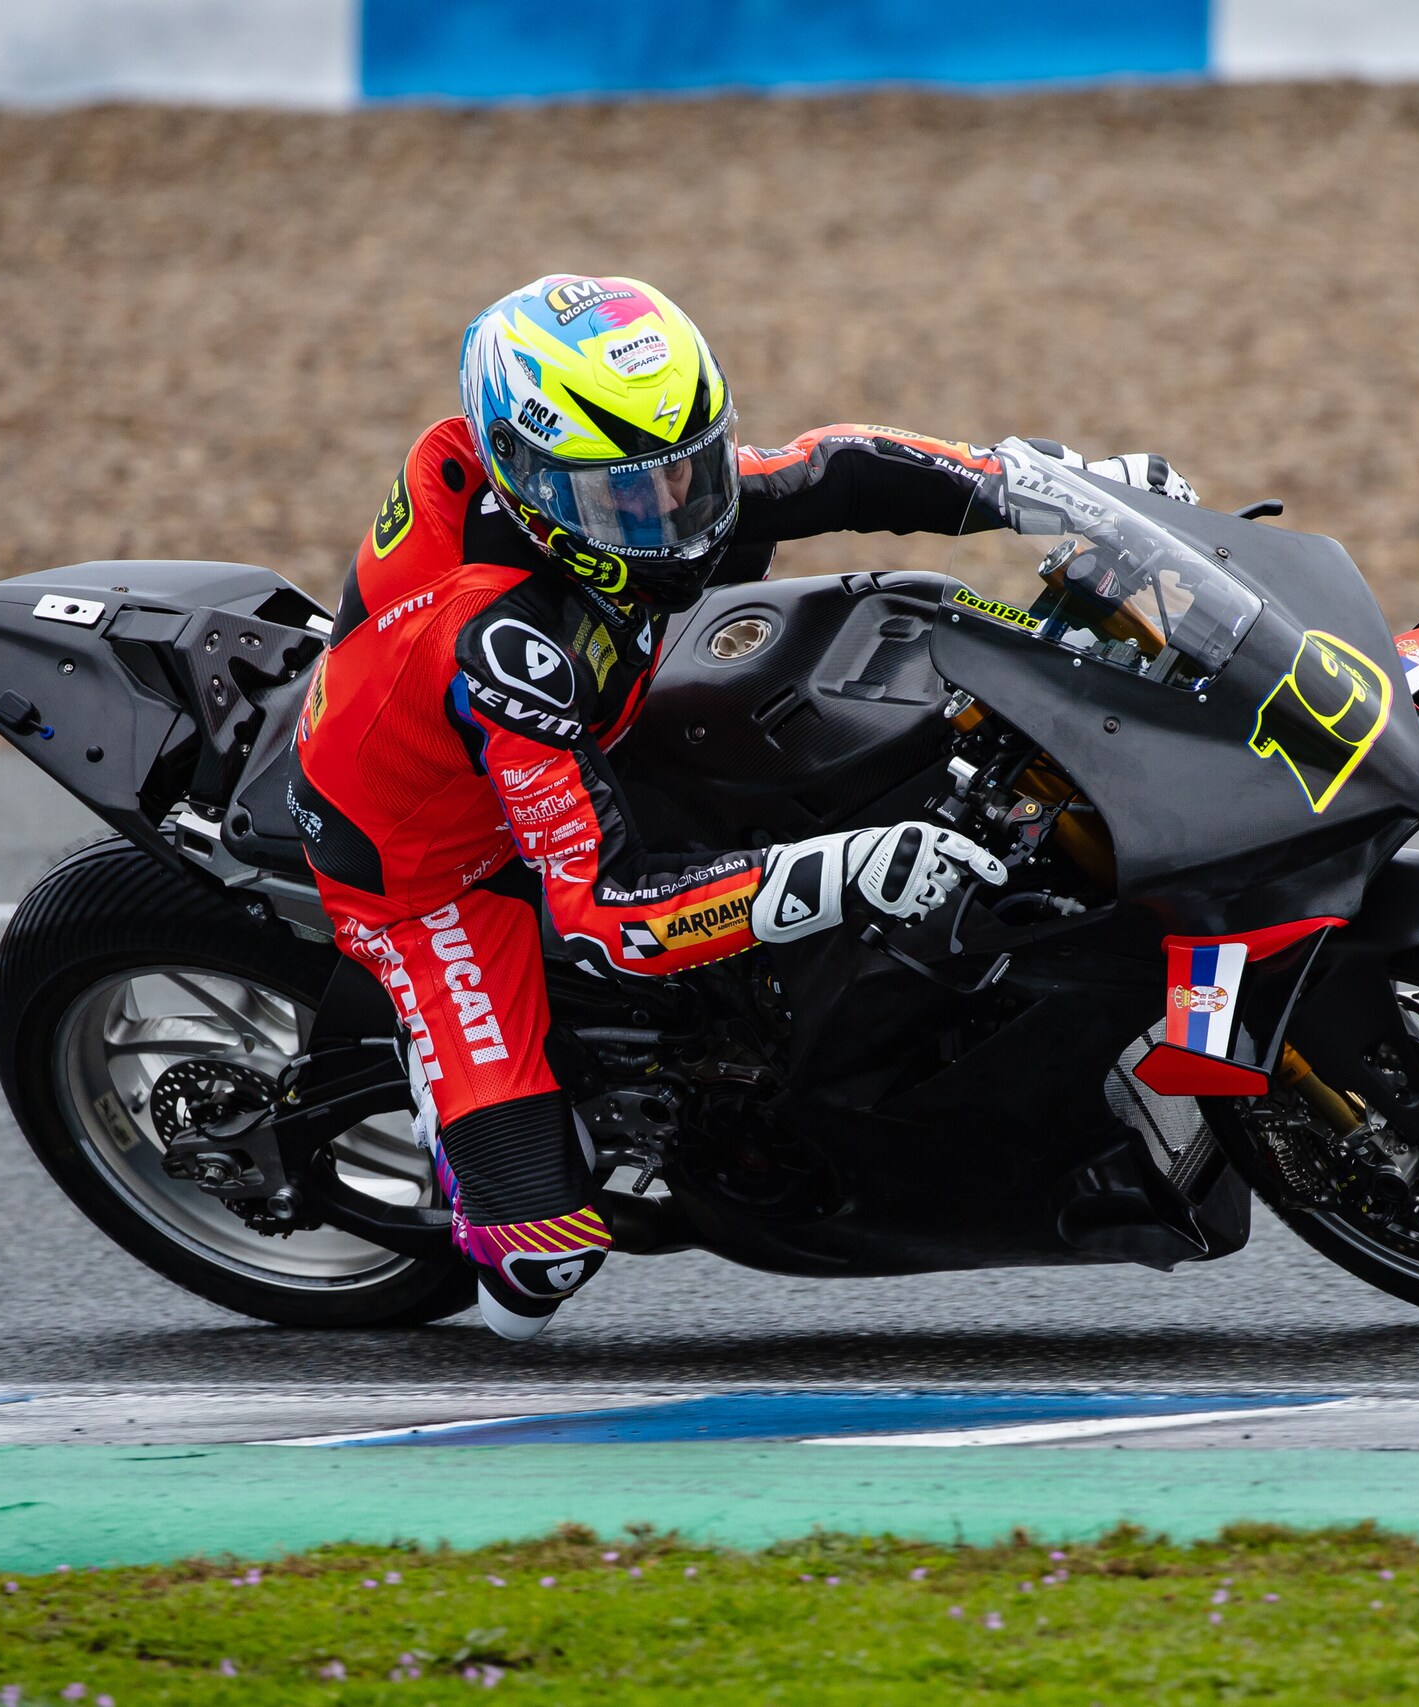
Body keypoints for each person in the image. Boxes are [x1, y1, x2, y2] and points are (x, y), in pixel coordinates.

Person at [291, 275, 1195, 1340]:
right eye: (628, 500)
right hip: (429, 865)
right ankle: (450, 1114)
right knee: (531, 1281)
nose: (673, 517)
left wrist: (1059, 488)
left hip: (579, 726)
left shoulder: (622, 495)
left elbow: (830, 468)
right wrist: (846, 869)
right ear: (531, 485)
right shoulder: (505, 642)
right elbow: (604, 914)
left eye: (688, 470)